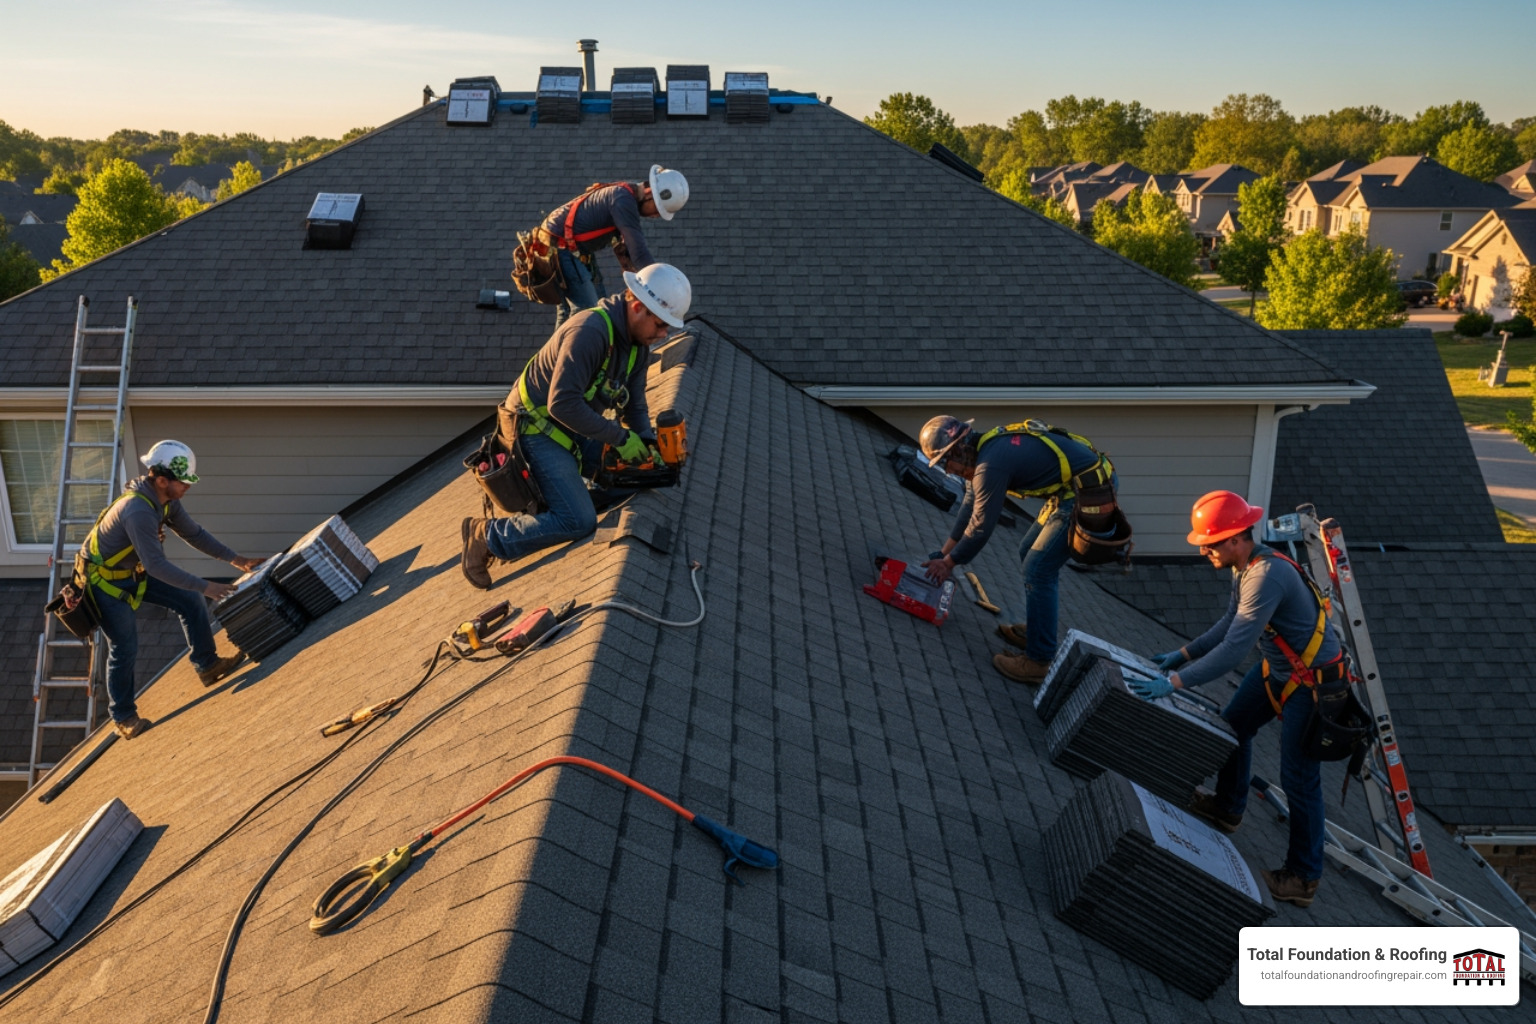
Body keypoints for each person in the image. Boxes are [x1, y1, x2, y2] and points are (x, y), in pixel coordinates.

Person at [1129, 490, 1344, 908]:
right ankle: (1228, 808)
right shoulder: (1244, 567)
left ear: (1235, 539)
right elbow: (1230, 623)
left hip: (1314, 684)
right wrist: (1185, 653)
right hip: (1282, 671)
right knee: (1234, 725)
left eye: (1209, 543)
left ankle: (1302, 877)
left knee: (1300, 780)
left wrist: (1174, 682)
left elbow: (1232, 651)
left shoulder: (1266, 576)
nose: (1204, 551)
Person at [461, 263, 692, 588]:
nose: (663, 335)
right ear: (639, 306)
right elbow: (561, 403)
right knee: (578, 519)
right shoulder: (591, 332)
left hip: (575, 424)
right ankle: (487, 536)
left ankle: (568, 493)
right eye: (660, 324)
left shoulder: (637, 348)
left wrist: (647, 450)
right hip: (535, 428)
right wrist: (620, 437)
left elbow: (635, 406)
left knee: (637, 476)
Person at [79, 440, 262, 739]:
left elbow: (194, 534)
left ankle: (208, 664)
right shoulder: (137, 510)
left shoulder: (166, 500)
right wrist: (207, 586)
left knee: (189, 599)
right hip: (105, 583)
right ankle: (123, 716)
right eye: (184, 483)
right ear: (162, 479)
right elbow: (157, 566)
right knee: (125, 646)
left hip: (132, 571)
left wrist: (236, 560)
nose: (187, 488)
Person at [917, 416, 1115, 685]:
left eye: (944, 461)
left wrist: (950, 564)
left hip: (1089, 493)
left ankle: (1039, 661)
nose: (948, 471)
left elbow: (981, 526)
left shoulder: (990, 464)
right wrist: (943, 555)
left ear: (959, 449)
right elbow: (969, 509)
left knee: (1038, 568)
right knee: (1028, 551)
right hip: (1070, 490)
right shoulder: (984, 451)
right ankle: (1038, 631)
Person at [539, 165, 689, 326]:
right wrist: (661, 289)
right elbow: (638, 252)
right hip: (559, 248)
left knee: (596, 308)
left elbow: (627, 253)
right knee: (586, 311)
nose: (655, 216)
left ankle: (557, 350)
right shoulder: (622, 200)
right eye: (658, 210)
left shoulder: (624, 196)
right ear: (649, 193)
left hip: (568, 249)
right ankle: (572, 349)